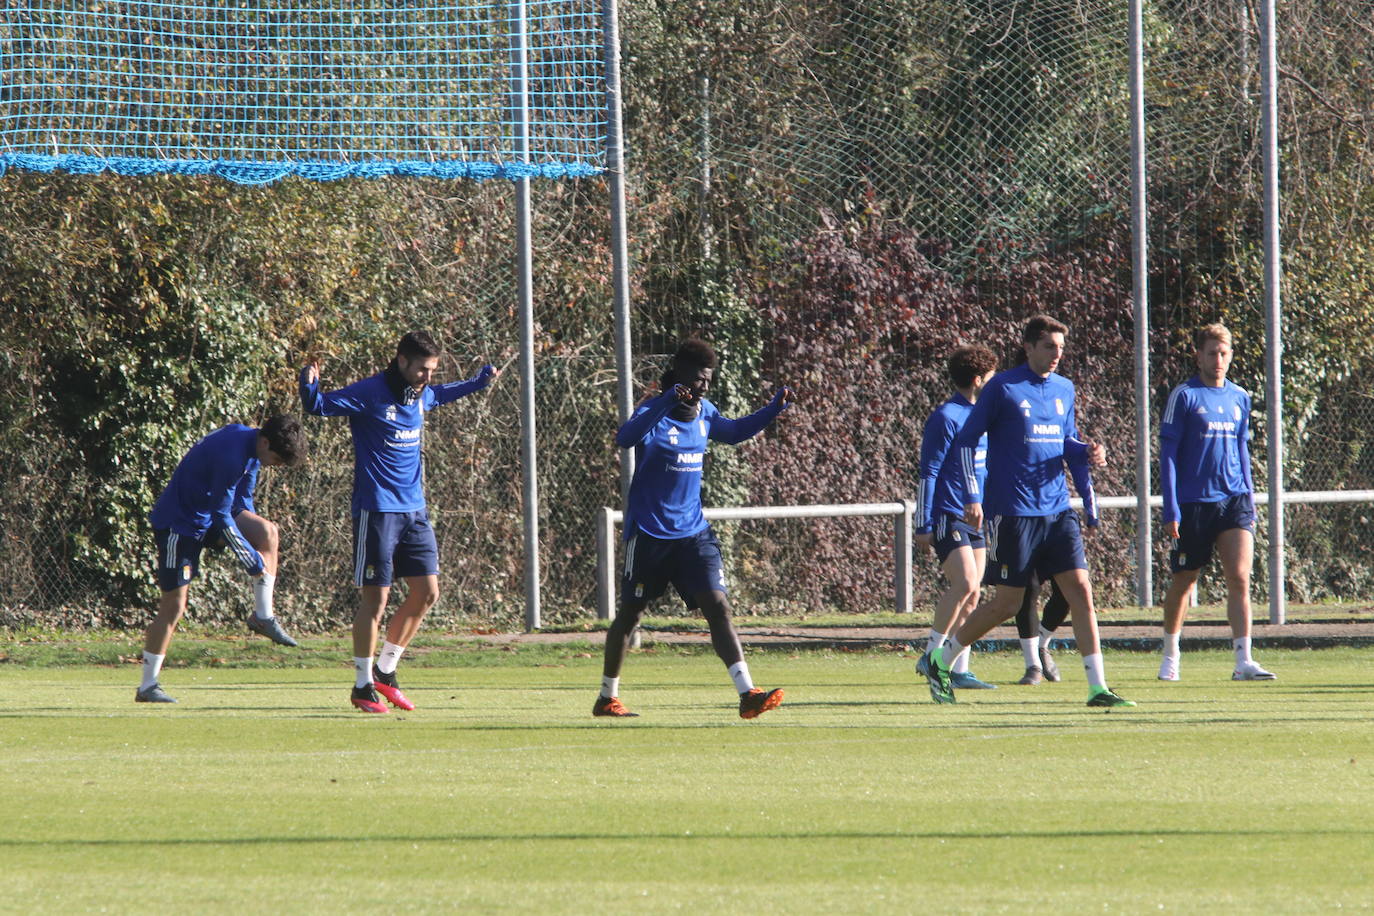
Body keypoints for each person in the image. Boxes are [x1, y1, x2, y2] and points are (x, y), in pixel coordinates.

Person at [917, 314, 1133, 707]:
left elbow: (1066, 441)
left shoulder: (1065, 389)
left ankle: (1097, 687)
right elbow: (966, 442)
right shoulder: (1001, 387)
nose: (1057, 355)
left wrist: (1087, 452)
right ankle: (940, 659)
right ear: (1029, 347)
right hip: (1012, 512)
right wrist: (972, 496)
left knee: (1081, 590)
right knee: (1007, 603)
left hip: (1056, 508)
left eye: (1061, 348)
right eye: (1049, 346)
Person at [594, 339, 793, 719]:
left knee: (717, 605)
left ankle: (748, 692)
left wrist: (772, 410)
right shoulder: (655, 410)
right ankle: (607, 697)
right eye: (699, 378)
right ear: (681, 374)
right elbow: (625, 438)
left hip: (693, 534)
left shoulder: (705, 412)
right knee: (631, 615)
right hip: (650, 536)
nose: (704, 385)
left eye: (709, 379)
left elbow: (732, 432)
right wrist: (666, 401)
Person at [300, 331, 497, 714]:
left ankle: (385, 671)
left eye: (432, 370)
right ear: (402, 361)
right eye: (422, 369)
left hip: (415, 511)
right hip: (377, 511)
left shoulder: (421, 393)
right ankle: (361, 687)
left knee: (427, 593)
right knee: (376, 600)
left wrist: (477, 383)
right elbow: (320, 407)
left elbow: (440, 395)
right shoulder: (370, 392)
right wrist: (309, 386)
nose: (427, 377)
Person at [136, 415, 308, 703]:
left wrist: (253, 542)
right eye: (276, 459)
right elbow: (221, 513)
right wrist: (251, 561)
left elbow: (242, 503)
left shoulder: (253, 450)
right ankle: (147, 686)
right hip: (181, 525)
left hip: (209, 518)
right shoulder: (232, 454)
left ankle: (263, 616)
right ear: (265, 442)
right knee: (174, 606)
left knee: (268, 532)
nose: (275, 465)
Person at [1157, 323, 1274, 682]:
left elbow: (1242, 449)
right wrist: (1171, 506)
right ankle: (1170, 654)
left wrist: (1250, 496)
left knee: (1239, 577)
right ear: (1199, 355)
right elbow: (1168, 454)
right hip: (1194, 503)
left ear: (1231, 355)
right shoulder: (1185, 396)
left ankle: (1243, 661)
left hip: (1234, 500)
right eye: (1212, 353)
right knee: (1185, 579)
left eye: (1224, 353)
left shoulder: (1239, 396)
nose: (1218, 359)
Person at [914, 344, 1000, 690]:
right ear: (978, 380)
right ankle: (931, 656)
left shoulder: (984, 416)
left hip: (975, 516)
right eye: (992, 379)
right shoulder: (947, 417)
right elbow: (929, 472)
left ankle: (958, 668)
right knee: (964, 583)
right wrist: (924, 523)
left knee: (975, 594)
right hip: (948, 513)